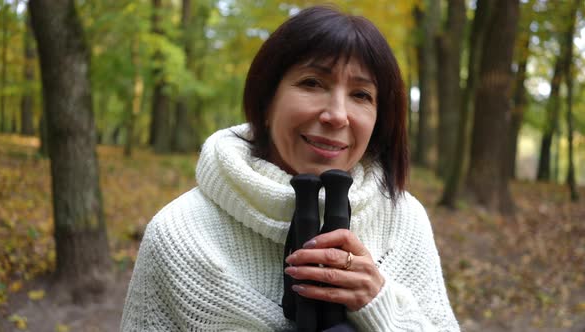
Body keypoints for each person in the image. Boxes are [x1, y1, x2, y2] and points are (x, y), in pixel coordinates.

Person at [121, 5, 459, 332]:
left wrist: (380, 307)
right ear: (267, 100)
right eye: (313, 83)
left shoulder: (403, 221)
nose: (337, 114)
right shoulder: (179, 234)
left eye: (360, 94)